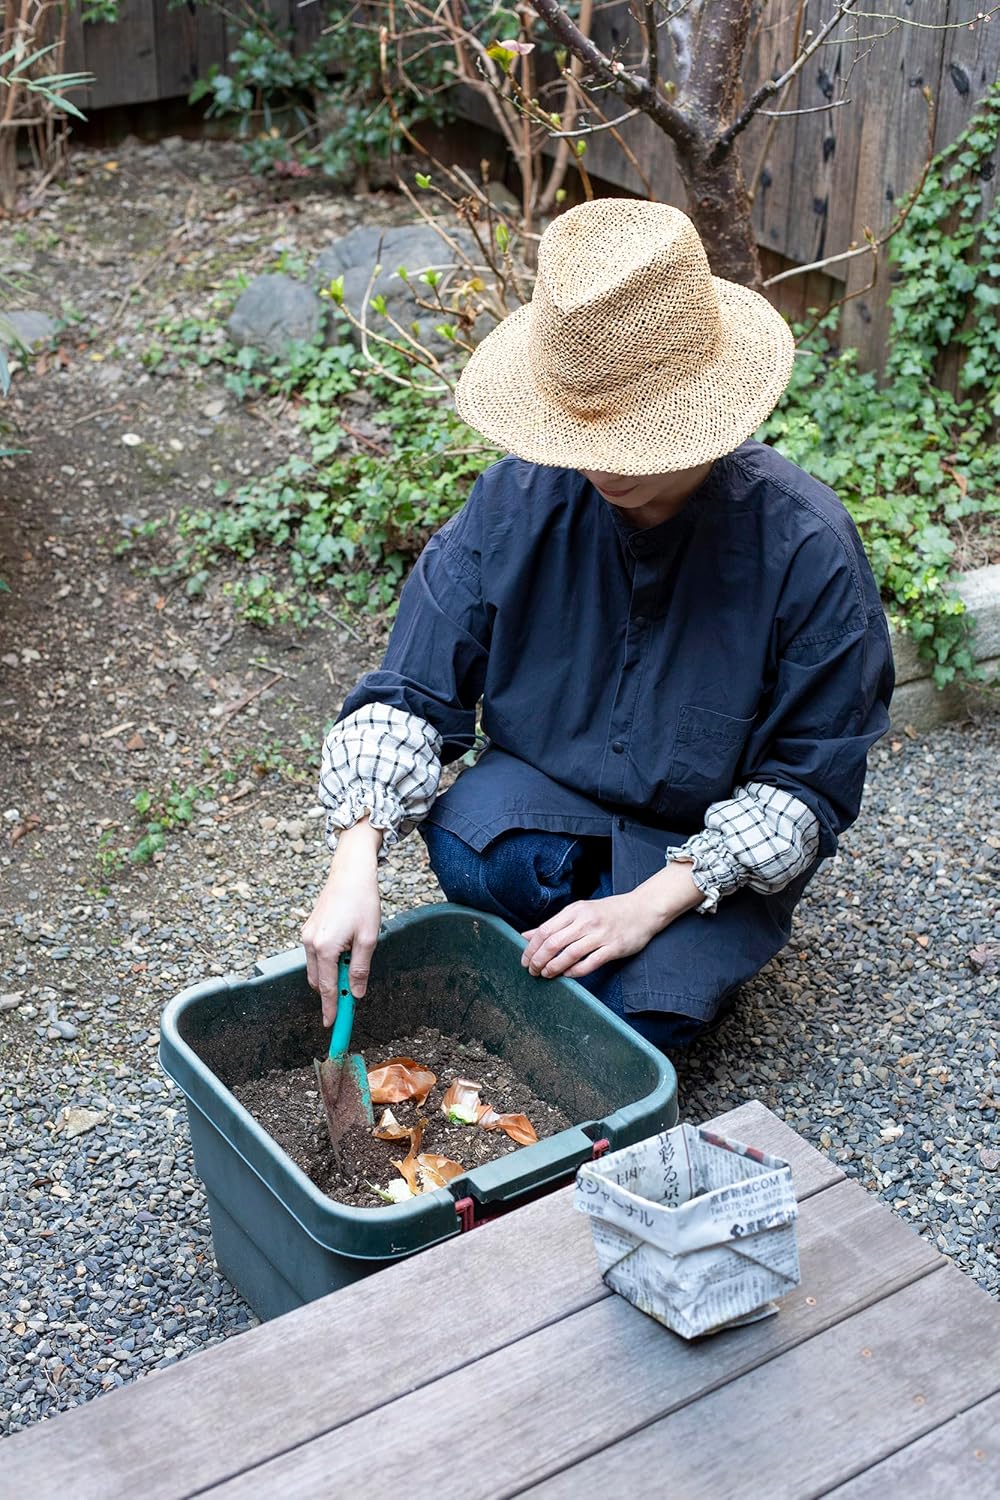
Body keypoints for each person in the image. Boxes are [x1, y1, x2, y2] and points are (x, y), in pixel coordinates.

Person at [301, 199, 894, 1052]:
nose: (597, 463)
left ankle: (638, 948)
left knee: (640, 1024)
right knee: (473, 853)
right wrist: (353, 858)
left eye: (635, 436)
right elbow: (413, 685)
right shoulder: (516, 500)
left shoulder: (807, 549)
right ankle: (579, 929)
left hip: (702, 842)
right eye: (584, 429)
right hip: (553, 795)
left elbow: (805, 786)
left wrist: (642, 910)